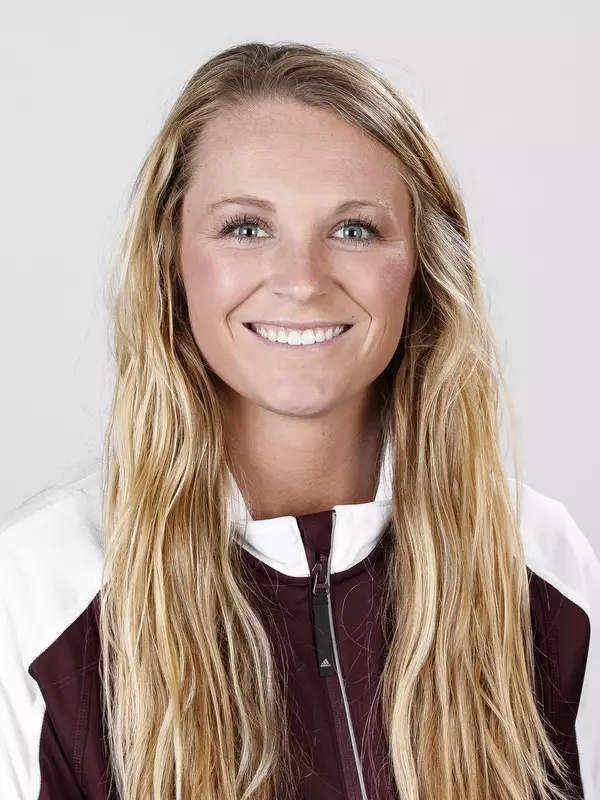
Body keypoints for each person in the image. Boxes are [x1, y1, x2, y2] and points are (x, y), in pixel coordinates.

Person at [0, 40, 598, 800]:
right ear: (170, 256)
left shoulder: (538, 563)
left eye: (354, 230)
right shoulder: (37, 591)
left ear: (421, 264)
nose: (303, 281)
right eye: (246, 228)